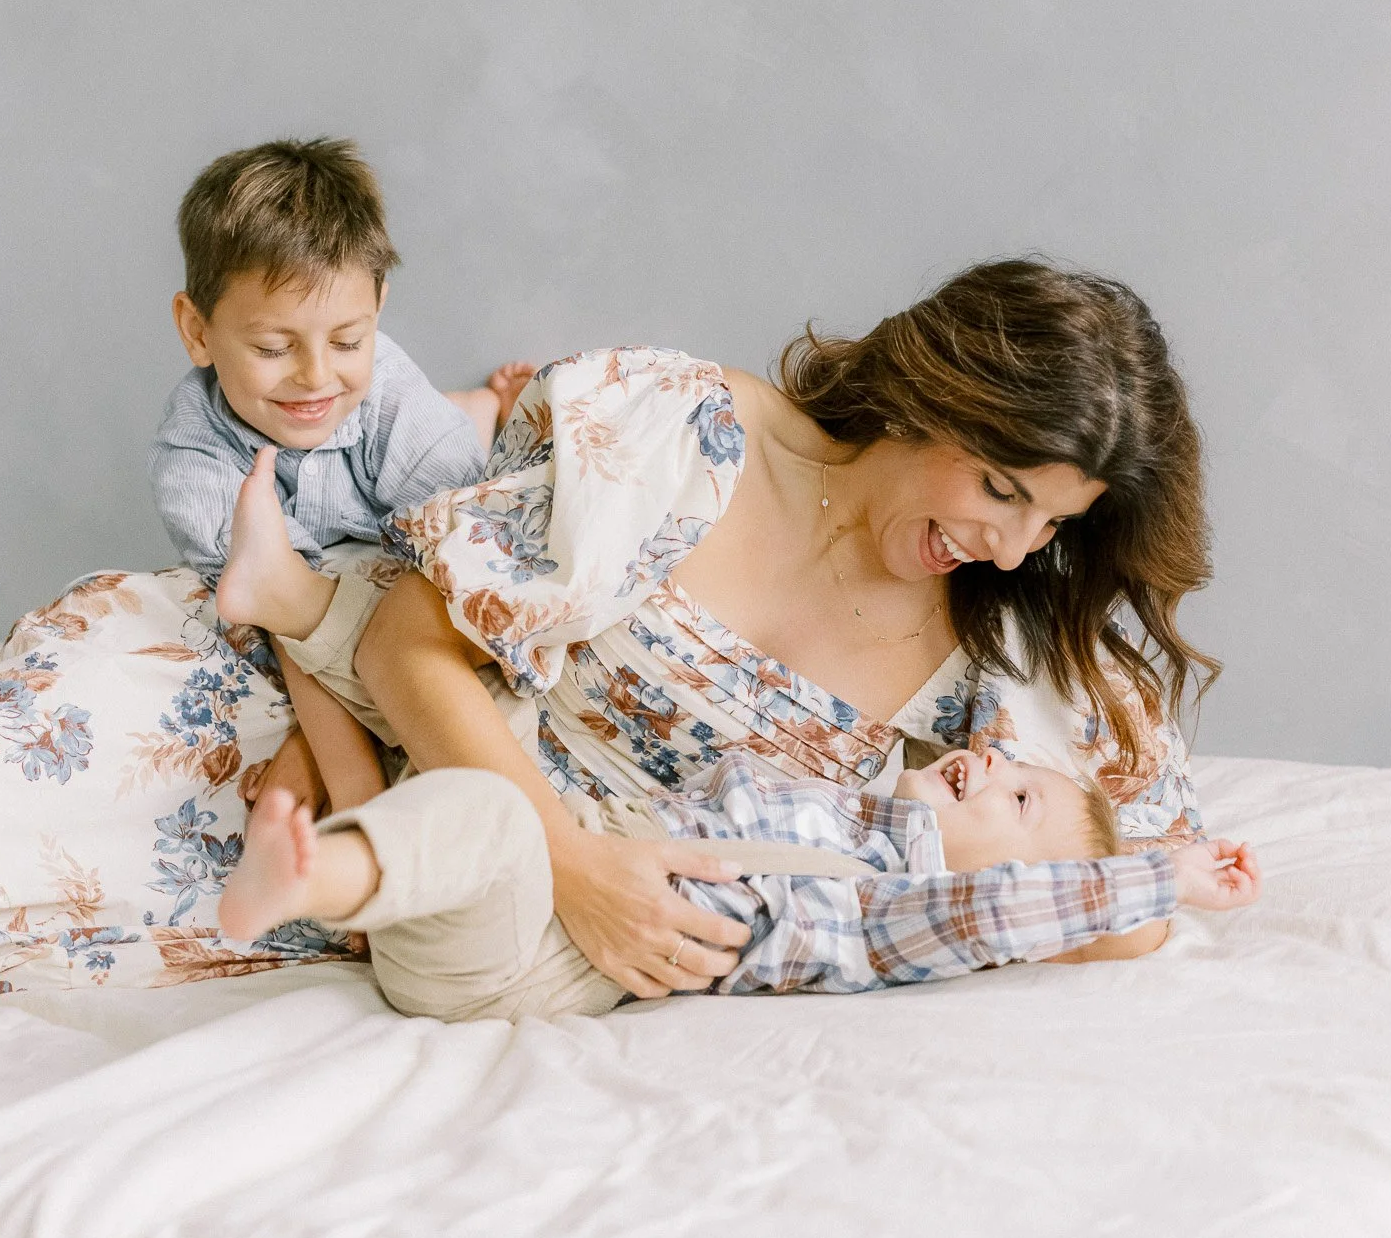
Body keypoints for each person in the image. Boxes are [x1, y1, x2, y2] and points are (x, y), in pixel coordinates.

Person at [215, 261, 1219, 1000]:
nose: (1010, 548)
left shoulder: (996, 658)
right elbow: (405, 640)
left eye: (1051, 523)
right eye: (1000, 489)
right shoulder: (698, 435)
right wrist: (574, 866)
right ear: (935, 392)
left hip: (520, 951)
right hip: (462, 816)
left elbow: (1133, 901)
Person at [216, 747, 1259, 1022]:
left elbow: (1005, 911)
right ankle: (314, 877)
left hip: (532, 963)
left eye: (1019, 801)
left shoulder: (887, 918)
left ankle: (302, 886)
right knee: (484, 797)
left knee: (491, 815)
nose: (989, 764)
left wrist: (1153, 881)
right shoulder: (845, 808)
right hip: (522, 894)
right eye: (1011, 764)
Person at [148, 136, 532, 812]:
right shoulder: (194, 464)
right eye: (273, 348)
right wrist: (347, 780)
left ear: (378, 305)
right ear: (197, 330)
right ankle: (477, 409)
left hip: (399, 525)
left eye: (348, 342)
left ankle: (481, 413)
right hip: (302, 585)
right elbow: (285, 619)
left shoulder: (384, 387)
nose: (316, 376)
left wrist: (339, 781)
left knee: (499, 524)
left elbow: (465, 558)